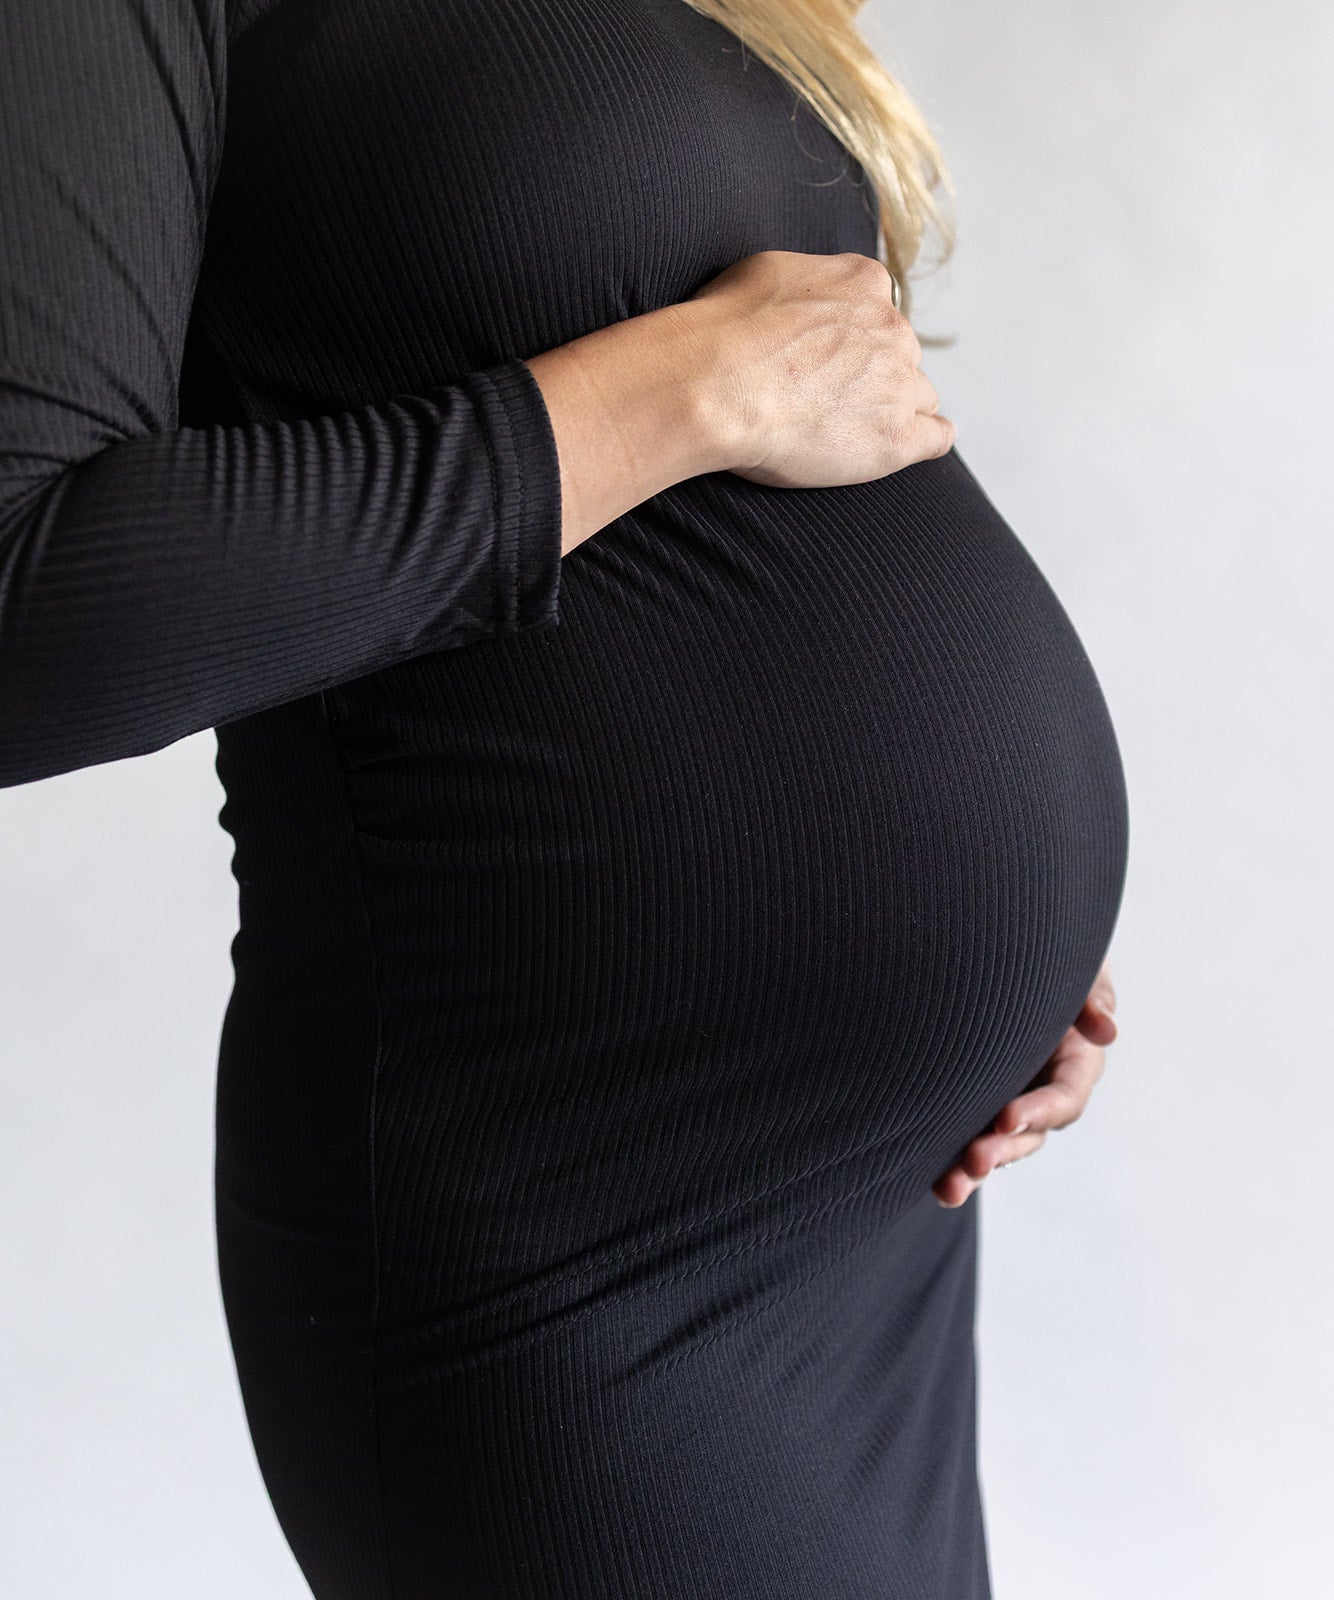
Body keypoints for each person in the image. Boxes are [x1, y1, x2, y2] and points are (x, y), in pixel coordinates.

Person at [0, 0, 1128, 1594]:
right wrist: (665, 394)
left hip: (865, 1212)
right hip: (573, 1225)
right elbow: (24, 607)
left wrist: (994, 912)